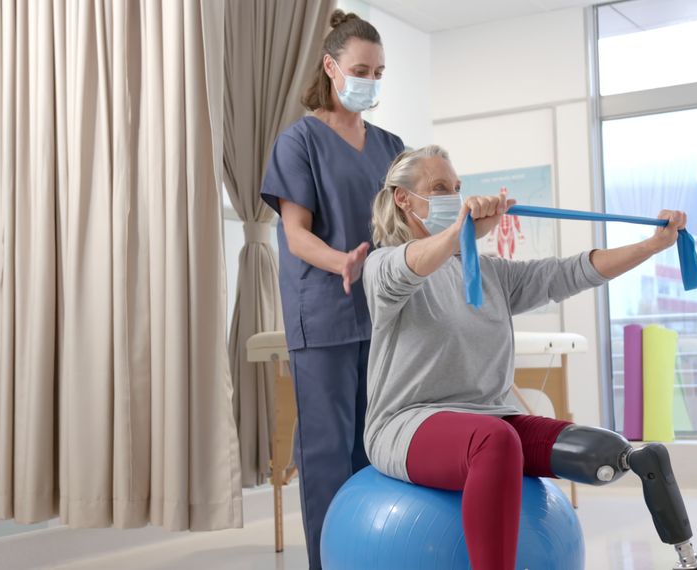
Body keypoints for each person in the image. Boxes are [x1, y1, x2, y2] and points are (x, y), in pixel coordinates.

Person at [363, 145, 697, 570]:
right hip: (405, 425)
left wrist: (653, 245)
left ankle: (688, 559)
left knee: (610, 451)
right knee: (495, 442)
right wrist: (462, 230)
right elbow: (410, 266)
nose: (453, 196)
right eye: (439, 189)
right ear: (403, 198)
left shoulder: (491, 273)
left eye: (457, 188)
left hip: (491, 418)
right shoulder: (381, 267)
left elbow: (569, 272)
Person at [259, 9, 404, 569]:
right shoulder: (299, 142)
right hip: (323, 317)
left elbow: (415, 221)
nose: (371, 80)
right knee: (326, 455)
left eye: (380, 71)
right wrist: (343, 259)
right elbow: (295, 236)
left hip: (385, 315)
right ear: (331, 66)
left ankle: (371, 554)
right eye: (361, 68)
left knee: (376, 449)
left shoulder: (392, 146)